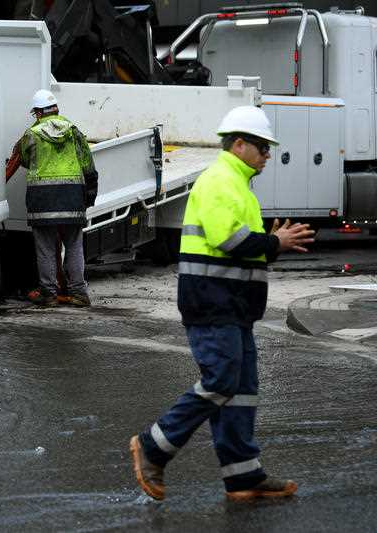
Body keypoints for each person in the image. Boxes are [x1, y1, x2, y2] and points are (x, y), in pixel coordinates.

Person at [129, 106, 316, 501]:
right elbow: (227, 239)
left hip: (233, 306)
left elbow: (241, 252)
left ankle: (243, 475)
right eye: (263, 147)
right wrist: (273, 242)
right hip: (212, 304)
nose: (267, 154)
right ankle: (153, 446)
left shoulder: (239, 185)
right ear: (239, 144)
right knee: (222, 381)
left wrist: (272, 244)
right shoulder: (220, 180)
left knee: (241, 389)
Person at [6, 89, 98, 307]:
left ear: (38, 113)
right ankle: (79, 293)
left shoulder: (31, 134)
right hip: (72, 197)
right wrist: (90, 195)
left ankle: (48, 294)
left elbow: (26, 160)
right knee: (74, 246)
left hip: (43, 198)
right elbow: (88, 165)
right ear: (56, 109)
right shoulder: (74, 131)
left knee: (45, 247)